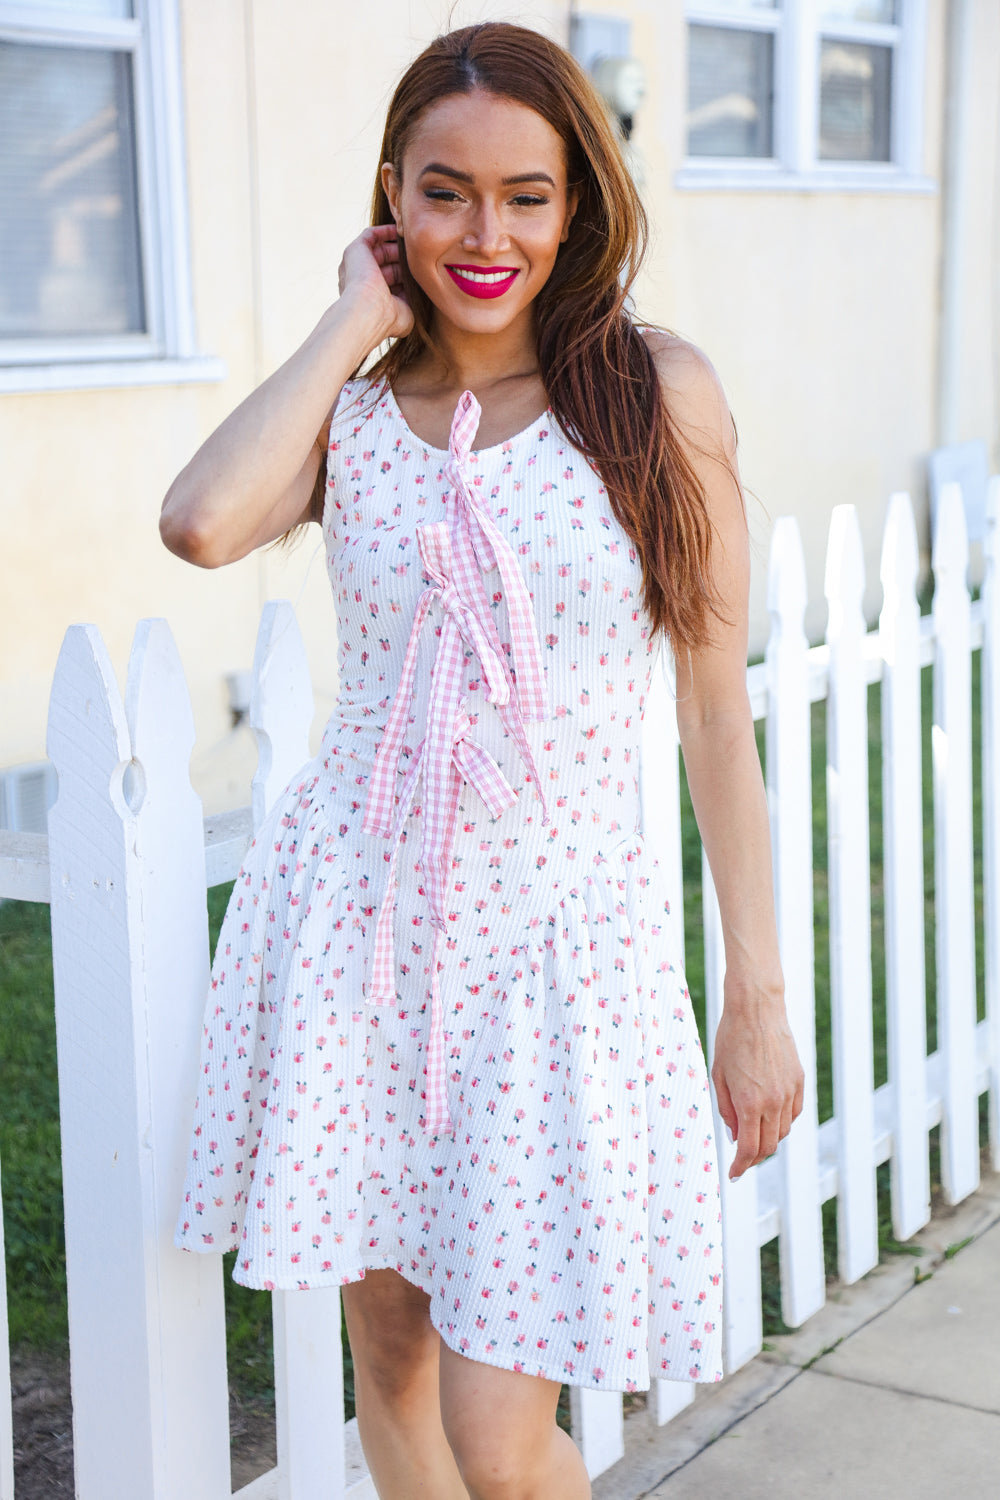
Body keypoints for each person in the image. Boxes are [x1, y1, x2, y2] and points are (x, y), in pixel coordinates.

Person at [161, 22, 803, 1500]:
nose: (487, 232)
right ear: (394, 196)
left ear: (578, 204)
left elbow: (716, 710)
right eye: (446, 191)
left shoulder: (656, 394)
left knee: (499, 1436)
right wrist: (346, 328)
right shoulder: (362, 412)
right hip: (360, 942)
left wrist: (755, 992)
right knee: (386, 1365)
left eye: (527, 193)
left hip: (554, 962)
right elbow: (200, 523)